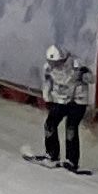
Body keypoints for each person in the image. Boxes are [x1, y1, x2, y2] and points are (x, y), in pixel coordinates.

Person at [38, 39, 92, 173]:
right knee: (50, 124)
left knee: (71, 128)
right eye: (52, 62)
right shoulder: (48, 68)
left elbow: (91, 78)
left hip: (77, 101)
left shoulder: (76, 64)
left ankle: (72, 161)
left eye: (56, 63)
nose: (54, 65)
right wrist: (47, 98)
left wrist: (85, 76)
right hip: (61, 100)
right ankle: (52, 155)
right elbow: (47, 83)